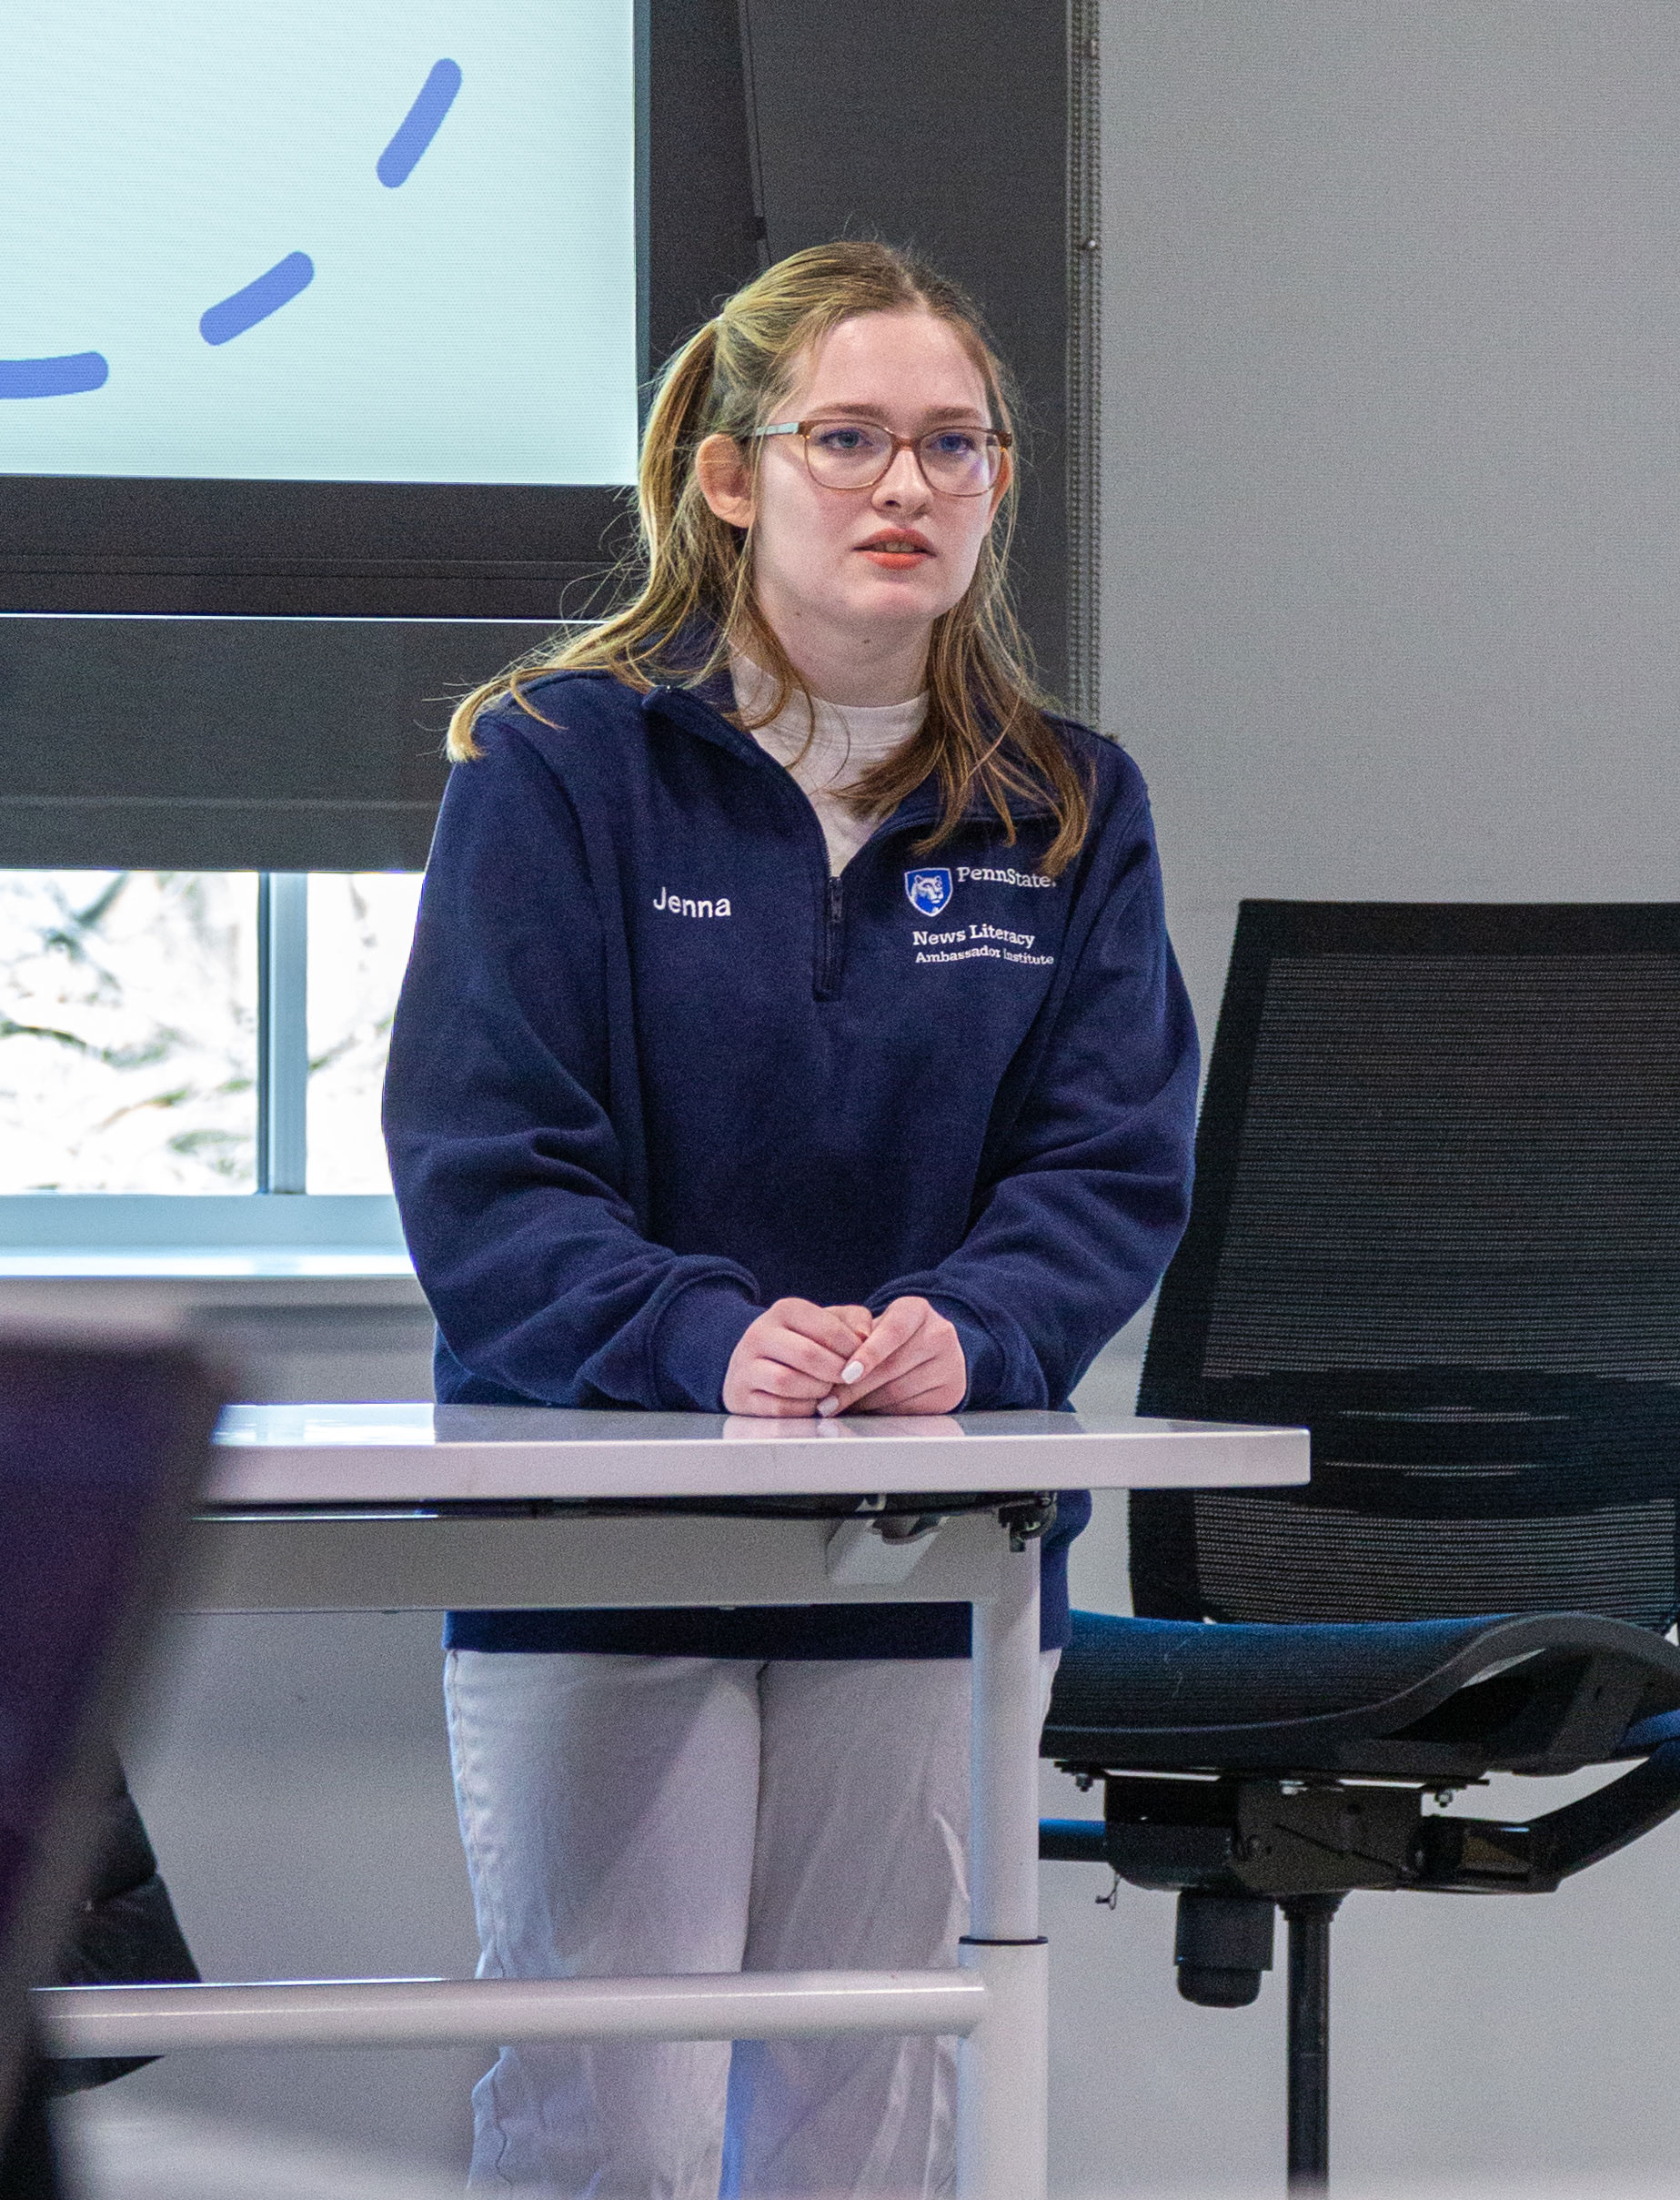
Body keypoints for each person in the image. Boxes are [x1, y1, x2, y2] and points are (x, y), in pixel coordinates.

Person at [383, 238, 1198, 2196]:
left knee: (872, 2111)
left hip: (922, 1544)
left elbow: (1106, 1170)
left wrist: (974, 1332)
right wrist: (701, 1341)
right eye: (850, 440)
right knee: (616, 2116)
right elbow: (488, 1170)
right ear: (732, 476)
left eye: (952, 446)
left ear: (1001, 483)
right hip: (600, 1533)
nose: (906, 488)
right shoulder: (560, 768)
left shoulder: (1068, 809)